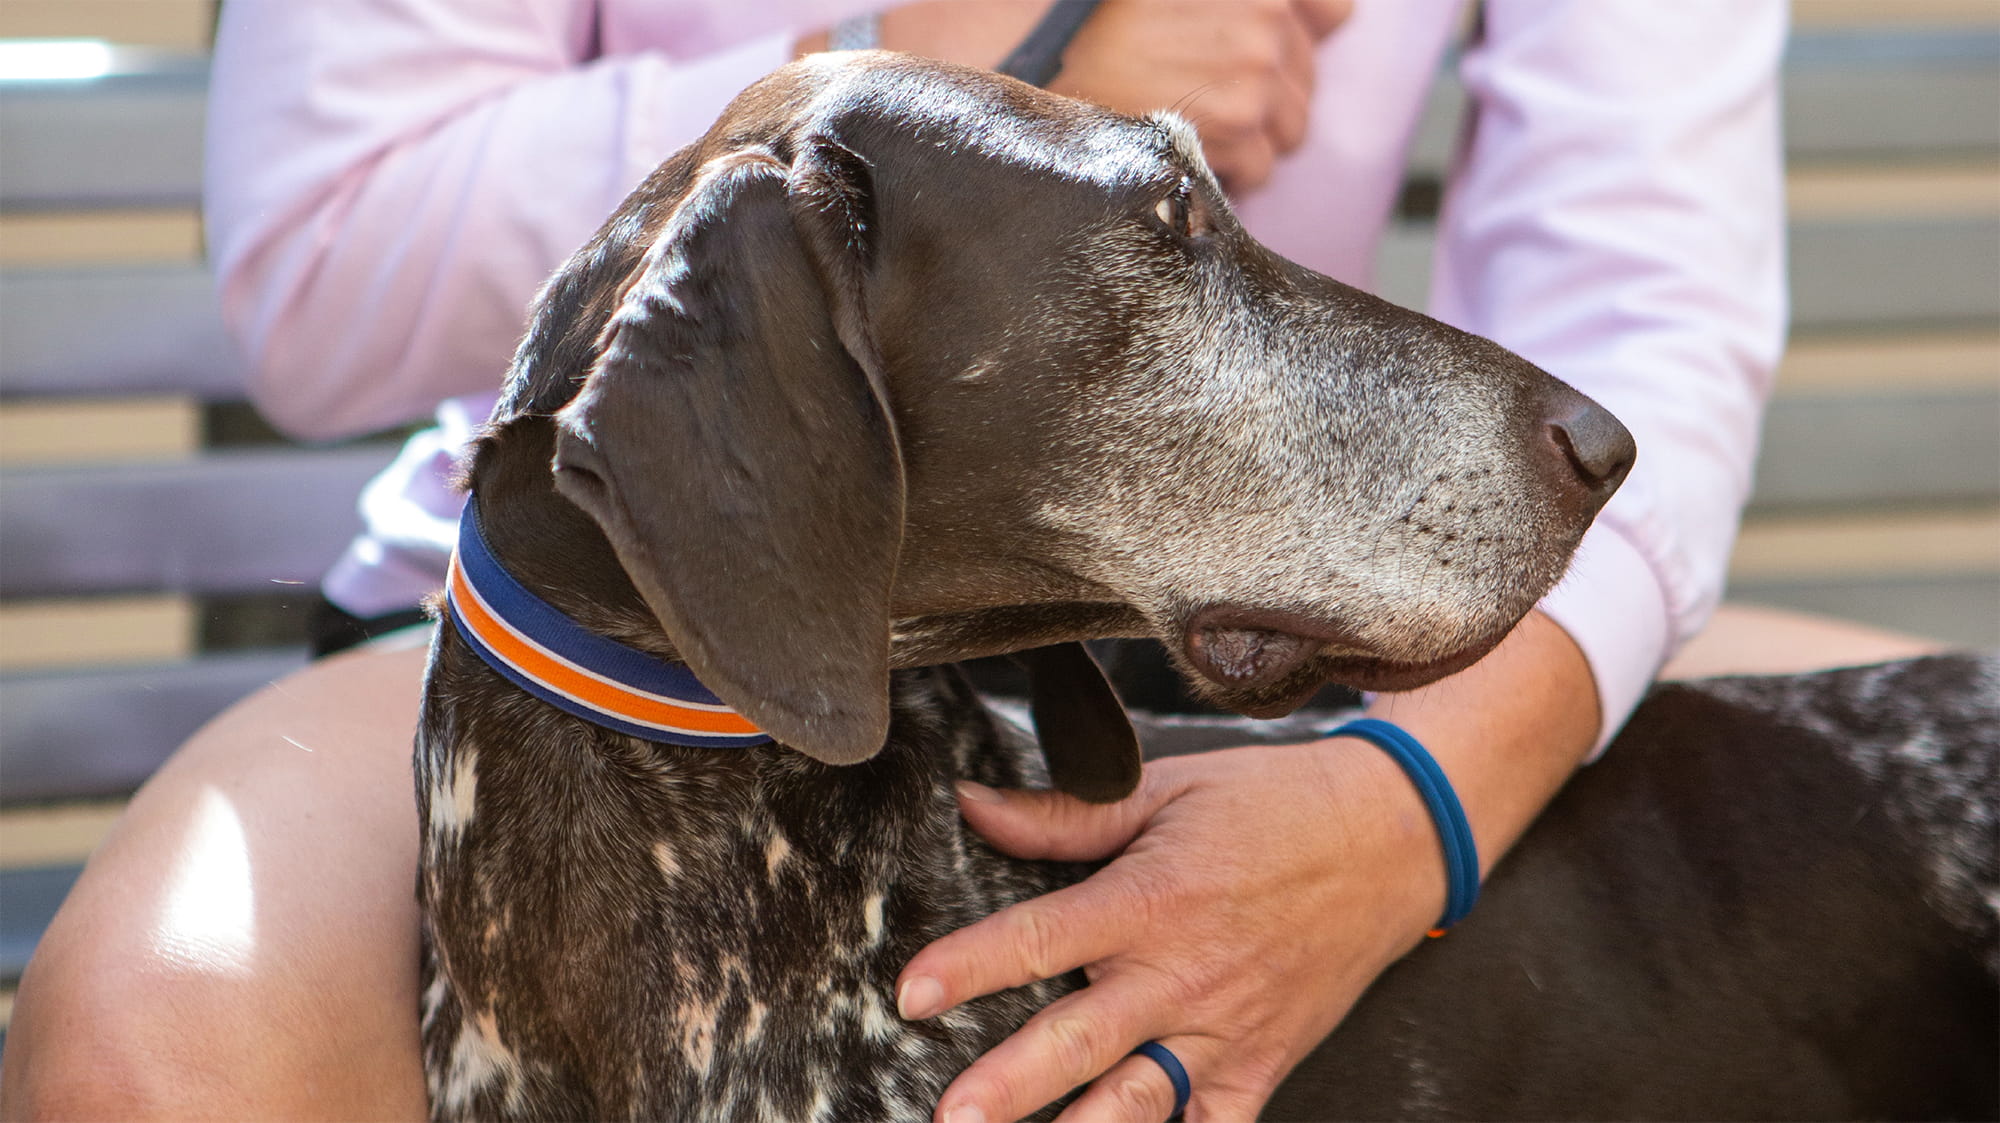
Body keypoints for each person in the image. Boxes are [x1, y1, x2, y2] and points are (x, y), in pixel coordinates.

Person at [3, 1, 1799, 1119]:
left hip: (1239, 623)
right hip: (593, 614)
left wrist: (1423, 801)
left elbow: (1652, 300)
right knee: (145, 1062)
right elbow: (324, 257)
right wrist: (963, 56)